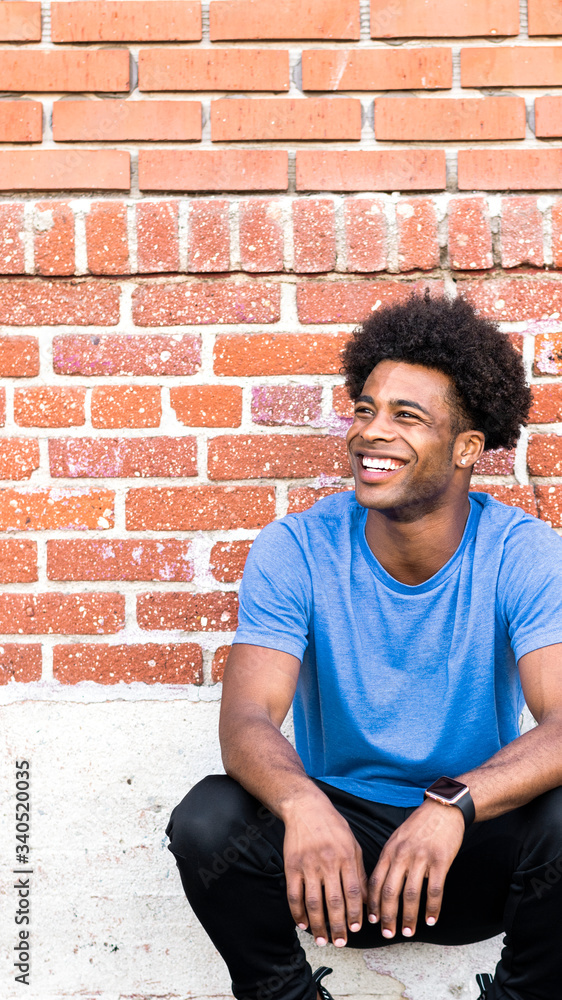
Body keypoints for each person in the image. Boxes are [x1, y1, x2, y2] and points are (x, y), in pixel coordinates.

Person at [166, 293, 562, 1000]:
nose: (370, 434)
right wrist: (302, 806)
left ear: (469, 447)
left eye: (406, 417)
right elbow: (247, 721)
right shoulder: (297, 547)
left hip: (464, 855)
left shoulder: (522, 554)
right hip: (334, 867)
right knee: (208, 817)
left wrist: (450, 806)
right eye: (365, 409)